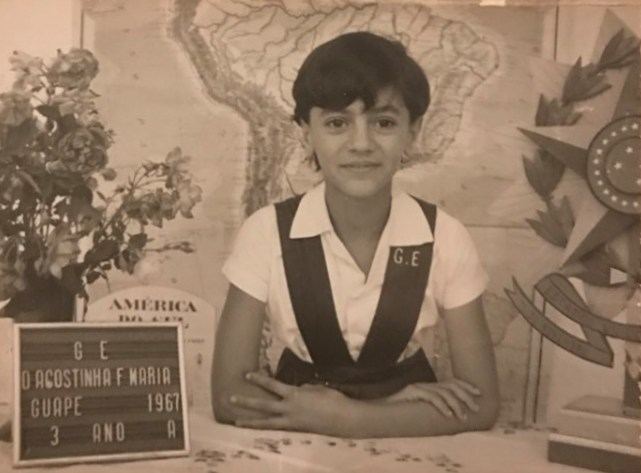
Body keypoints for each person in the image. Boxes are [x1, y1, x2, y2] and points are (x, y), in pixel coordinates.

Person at [212, 31, 499, 438]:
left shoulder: (446, 237)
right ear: (306, 132)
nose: (361, 144)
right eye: (337, 123)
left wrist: (353, 419)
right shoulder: (265, 233)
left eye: (383, 122)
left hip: (406, 447)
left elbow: (482, 404)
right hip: (297, 443)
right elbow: (229, 397)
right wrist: (383, 409)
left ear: (412, 131)